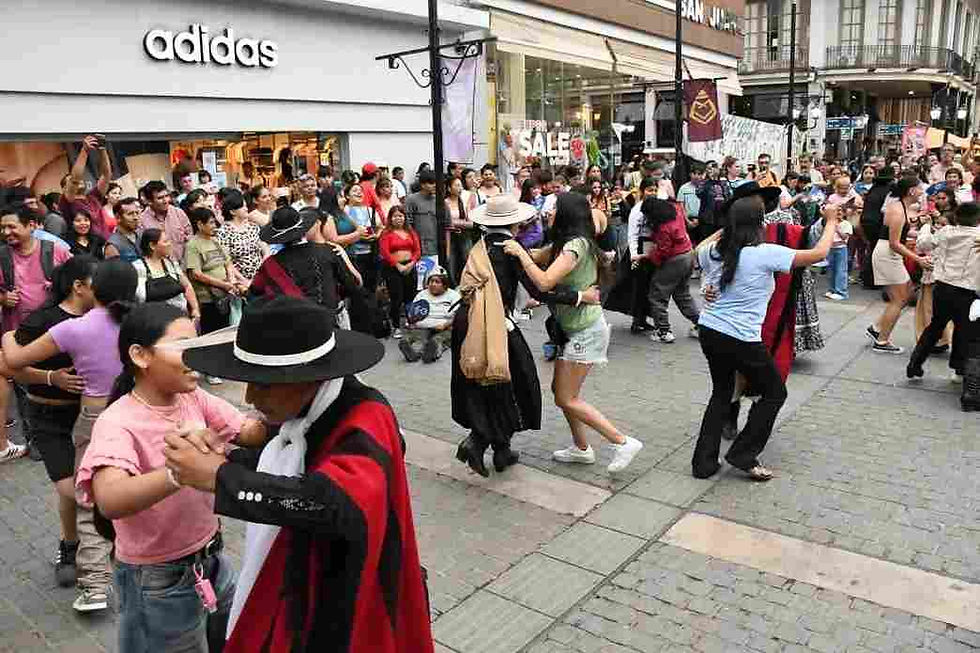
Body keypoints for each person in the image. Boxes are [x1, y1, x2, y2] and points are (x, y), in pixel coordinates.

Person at [163, 296, 433, 653]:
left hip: (347, 598)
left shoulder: (367, 417)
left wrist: (221, 478)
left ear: (309, 378)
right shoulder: (307, 409)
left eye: (265, 384)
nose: (250, 396)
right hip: (299, 582)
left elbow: (333, 503)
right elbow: (281, 461)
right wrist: (220, 457)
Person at [74, 303, 266, 651]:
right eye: (183, 347)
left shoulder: (193, 397)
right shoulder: (119, 422)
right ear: (141, 356)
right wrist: (180, 472)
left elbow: (248, 431)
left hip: (212, 558)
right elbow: (110, 498)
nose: (196, 356)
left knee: (232, 637)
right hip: (156, 580)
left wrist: (281, 398)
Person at [3, 258, 138, 613]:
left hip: (94, 416)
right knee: (130, 486)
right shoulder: (143, 322)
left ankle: (96, 584)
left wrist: (5, 334)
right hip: (136, 410)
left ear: (96, 288)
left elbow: (13, 359)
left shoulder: (76, 328)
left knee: (88, 494)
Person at [693, 186, 840, 481]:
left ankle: (704, 463)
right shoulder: (764, 254)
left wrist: (726, 230)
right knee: (775, 392)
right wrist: (833, 221)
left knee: (722, 393)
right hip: (741, 337)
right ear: (760, 223)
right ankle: (743, 454)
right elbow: (820, 253)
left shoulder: (713, 250)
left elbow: (696, 249)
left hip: (710, 330)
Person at [451, 195, 601, 476]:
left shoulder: (480, 245)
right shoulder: (511, 248)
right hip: (493, 324)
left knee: (484, 385)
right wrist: (581, 296)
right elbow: (539, 290)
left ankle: (501, 450)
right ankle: (478, 441)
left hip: (468, 322)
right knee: (515, 382)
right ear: (516, 222)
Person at [504, 193, 644, 474]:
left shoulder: (576, 246)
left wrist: (519, 253)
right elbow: (535, 257)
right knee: (561, 392)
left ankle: (622, 441)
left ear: (566, 214)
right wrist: (509, 245)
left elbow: (543, 282)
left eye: (553, 209)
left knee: (566, 398)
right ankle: (581, 449)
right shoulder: (563, 244)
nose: (548, 213)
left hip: (586, 333)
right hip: (575, 331)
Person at [4, 257, 93, 591]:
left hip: (89, 416)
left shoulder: (99, 318)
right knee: (69, 487)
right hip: (48, 417)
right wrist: (51, 377)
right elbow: (9, 364)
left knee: (89, 485)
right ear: (78, 286)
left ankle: (79, 544)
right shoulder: (44, 319)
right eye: (95, 281)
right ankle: (73, 547)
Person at [251, 206, 361, 329]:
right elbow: (351, 285)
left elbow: (255, 290)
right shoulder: (328, 251)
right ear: (303, 228)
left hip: (293, 324)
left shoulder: (270, 264)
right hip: (329, 320)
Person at [907, 201, 980, 380]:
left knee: (935, 326)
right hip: (967, 290)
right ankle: (959, 370)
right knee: (963, 330)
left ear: (955, 217)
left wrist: (925, 226)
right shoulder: (978, 236)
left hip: (942, 287)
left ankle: (915, 363)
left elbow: (923, 244)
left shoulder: (946, 232)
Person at [868, 177, 933, 354]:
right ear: (911, 191)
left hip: (889, 254)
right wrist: (918, 259)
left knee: (906, 293)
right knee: (900, 299)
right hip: (888, 255)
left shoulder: (900, 206)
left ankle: (877, 328)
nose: (922, 192)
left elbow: (900, 232)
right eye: (920, 189)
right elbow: (894, 243)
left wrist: (917, 222)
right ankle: (882, 341)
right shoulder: (897, 210)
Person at [185, 207, 248, 369]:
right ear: (199, 224)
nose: (215, 226)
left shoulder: (215, 241)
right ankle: (210, 368)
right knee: (211, 333)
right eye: (211, 223)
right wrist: (223, 284)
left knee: (225, 330)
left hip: (224, 294)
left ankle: (223, 363)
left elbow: (227, 263)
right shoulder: (193, 245)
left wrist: (232, 280)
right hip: (208, 297)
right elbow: (196, 274)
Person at [640, 197, 700, 343]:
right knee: (683, 295)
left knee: (658, 294)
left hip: (675, 260)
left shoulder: (663, 228)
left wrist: (649, 257)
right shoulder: (676, 211)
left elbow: (663, 251)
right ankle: (702, 325)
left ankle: (663, 331)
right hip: (688, 255)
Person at [216, 189, 268, 324]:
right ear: (232, 211)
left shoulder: (253, 227)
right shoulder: (223, 232)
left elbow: (265, 249)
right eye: (242, 206)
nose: (246, 208)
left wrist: (262, 270)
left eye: (246, 205)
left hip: (260, 277)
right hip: (240, 282)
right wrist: (243, 280)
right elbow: (227, 261)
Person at [133, 228, 200, 319]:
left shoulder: (171, 264)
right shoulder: (138, 267)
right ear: (152, 245)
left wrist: (195, 308)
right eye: (165, 241)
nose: (170, 244)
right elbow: (139, 299)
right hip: (155, 322)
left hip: (180, 318)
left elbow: (187, 286)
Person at [400, 266, 460, 363]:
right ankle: (413, 352)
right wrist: (411, 322)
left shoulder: (454, 295)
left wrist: (446, 325)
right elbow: (413, 312)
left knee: (439, 339)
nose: (433, 284)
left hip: (444, 327)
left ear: (445, 284)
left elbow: (457, 316)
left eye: (437, 282)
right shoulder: (422, 295)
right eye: (431, 281)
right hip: (423, 325)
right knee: (419, 338)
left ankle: (433, 351)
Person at [59, 135, 113, 238]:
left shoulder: (93, 197)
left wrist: (102, 149)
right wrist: (85, 151)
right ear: (65, 189)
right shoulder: (67, 202)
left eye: (80, 178)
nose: (79, 180)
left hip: (105, 244)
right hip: (87, 246)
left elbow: (106, 175)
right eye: (70, 181)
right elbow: (75, 179)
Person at [379, 205, 420, 338]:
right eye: (395, 216)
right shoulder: (386, 234)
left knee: (410, 296)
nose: (398, 219)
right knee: (396, 297)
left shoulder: (411, 232)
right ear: (390, 218)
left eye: (401, 216)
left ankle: (410, 320)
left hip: (410, 266)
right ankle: (396, 326)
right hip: (393, 268)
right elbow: (385, 252)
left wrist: (411, 263)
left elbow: (417, 250)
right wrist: (398, 265)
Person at [823, 175, 861, 300]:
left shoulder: (852, 197)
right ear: (836, 187)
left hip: (841, 244)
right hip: (831, 243)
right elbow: (825, 208)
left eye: (846, 188)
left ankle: (841, 291)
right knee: (832, 268)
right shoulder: (832, 198)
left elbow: (859, 207)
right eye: (841, 188)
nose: (844, 190)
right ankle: (832, 289)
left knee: (841, 269)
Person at [140, 181, 193, 264]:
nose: (166, 200)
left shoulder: (178, 213)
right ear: (150, 201)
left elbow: (190, 237)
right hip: (162, 269)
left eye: (167, 196)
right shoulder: (142, 220)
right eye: (160, 198)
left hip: (185, 264)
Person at [446, 176, 475, 284]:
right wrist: (458, 224)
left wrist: (456, 223)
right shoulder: (445, 202)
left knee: (466, 260)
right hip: (450, 237)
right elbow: (446, 222)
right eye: (457, 185)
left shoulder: (463, 202)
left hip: (464, 235)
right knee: (451, 262)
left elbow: (471, 222)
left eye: (461, 185)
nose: (460, 188)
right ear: (449, 188)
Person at [405, 169, 440, 260]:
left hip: (437, 245)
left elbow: (447, 225)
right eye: (431, 183)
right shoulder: (411, 199)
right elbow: (408, 223)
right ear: (423, 184)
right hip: (418, 246)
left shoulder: (439, 200)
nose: (435, 185)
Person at [104, 196, 142, 262]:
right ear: (118, 217)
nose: (136, 217)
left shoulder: (141, 236)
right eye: (130, 214)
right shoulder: (112, 245)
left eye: (137, 213)